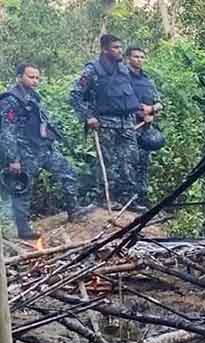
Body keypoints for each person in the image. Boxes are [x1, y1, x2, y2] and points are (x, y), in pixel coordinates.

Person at [0, 64, 92, 239]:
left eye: (37, 78)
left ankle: (74, 209)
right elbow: (6, 131)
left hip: (43, 148)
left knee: (68, 172)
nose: (35, 81)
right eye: (31, 77)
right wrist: (13, 158)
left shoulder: (34, 97)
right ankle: (24, 230)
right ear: (20, 77)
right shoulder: (9, 100)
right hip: (24, 152)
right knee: (23, 188)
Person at [69, 34, 151, 212]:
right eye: (115, 47)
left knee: (130, 160)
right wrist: (88, 116)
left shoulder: (123, 68)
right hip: (105, 122)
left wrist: (140, 111)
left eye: (120, 47)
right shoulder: (93, 69)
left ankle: (128, 199)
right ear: (105, 49)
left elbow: (127, 94)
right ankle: (105, 198)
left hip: (127, 122)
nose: (119, 50)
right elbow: (75, 95)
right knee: (107, 162)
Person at [126, 45, 163, 209]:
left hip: (145, 128)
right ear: (128, 58)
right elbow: (122, 102)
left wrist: (152, 110)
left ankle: (142, 197)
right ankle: (129, 198)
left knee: (144, 163)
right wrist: (141, 111)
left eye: (141, 57)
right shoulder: (123, 78)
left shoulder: (147, 80)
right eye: (135, 57)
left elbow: (159, 103)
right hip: (128, 127)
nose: (139, 60)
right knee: (128, 162)